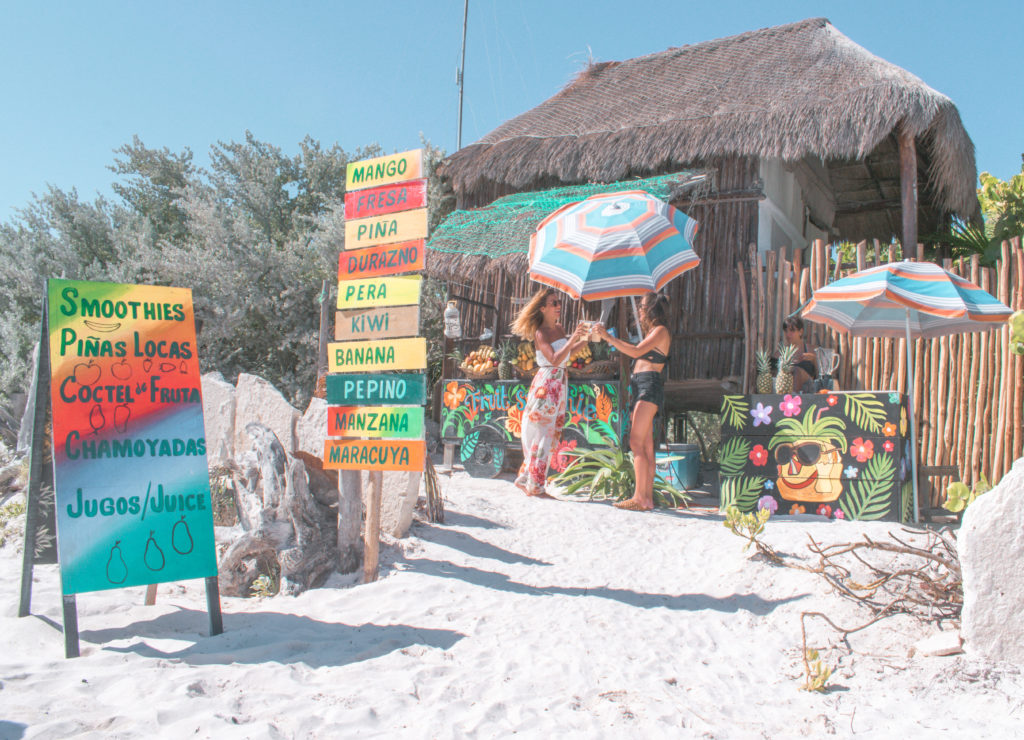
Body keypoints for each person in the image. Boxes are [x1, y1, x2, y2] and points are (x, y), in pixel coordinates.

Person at [594, 292, 671, 511]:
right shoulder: (652, 333)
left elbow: (635, 351)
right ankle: (646, 499)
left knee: (636, 442)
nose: (639, 309)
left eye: (643, 306)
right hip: (641, 386)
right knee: (645, 446)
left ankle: (639, 497)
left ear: (652, 309)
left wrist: (609, 338)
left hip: (648, 386)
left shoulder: (660, 331)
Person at [511, 288, 588, 497]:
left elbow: (567, 355)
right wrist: (573, 340)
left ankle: (527, 478)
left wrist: (586, 339)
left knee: (550, 433)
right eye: (554, 303)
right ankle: (536, 485)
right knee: (543, 433)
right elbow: (554, 358)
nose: (558, 306)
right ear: (543, 308)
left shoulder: (560, 329)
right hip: (547, 383)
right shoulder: (541, 333)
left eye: (558, 302)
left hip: (559, 382)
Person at [780, 316, 817, 392]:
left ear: (801, 332)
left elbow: (821, 375)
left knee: (796, 370)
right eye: (786, 331)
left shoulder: (811, 350)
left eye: (792, 331)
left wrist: (814, 359)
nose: (788, 334)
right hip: (786, 388)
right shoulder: (780, 353)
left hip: (809, 389)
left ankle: (793, 397)